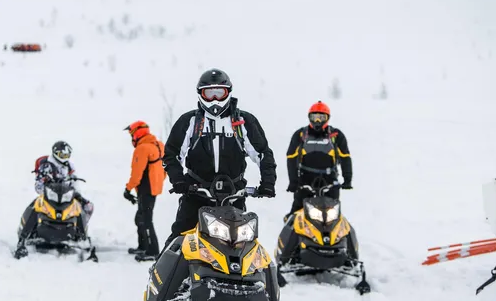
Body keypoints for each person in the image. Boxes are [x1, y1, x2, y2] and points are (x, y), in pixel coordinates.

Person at [161, 68, 277, 251]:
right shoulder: (190, 121)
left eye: (219, 93)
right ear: (201, 94)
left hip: (233, 196)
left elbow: (263, 153)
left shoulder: (243, 122)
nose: (215, 99)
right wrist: (179, 180)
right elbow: (171, 154)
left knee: (246, 245)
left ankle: (266, 278)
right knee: (178, 240)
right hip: (196, 194)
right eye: (209, 94)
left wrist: (268, 183)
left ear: (228, 93)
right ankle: (163, 277)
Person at [14, 141, 94, 258]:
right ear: (55, 153)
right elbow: (39, 185)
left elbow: (74, 182)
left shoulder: (70, 166)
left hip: (66, 195)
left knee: (84, 207)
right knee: (36, 206)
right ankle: (22, 239)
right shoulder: (47, 165)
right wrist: (46, 185)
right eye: (62, 155)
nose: (65, 158)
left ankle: (82, 236)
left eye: (67, 155)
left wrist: (76, 193)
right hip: (49, 194)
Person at [284, 100, 352, 219]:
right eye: (314, 117)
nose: (317, 121)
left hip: (329, 179)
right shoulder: (300, 134)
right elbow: (291, 157)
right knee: (295, 214)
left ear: (327, 118)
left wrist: (347, 179)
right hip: (305, 179)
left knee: (334, 215)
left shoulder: (336, 135)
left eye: (321, 117)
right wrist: (293, 181)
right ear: (309, 117)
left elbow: (345, 157)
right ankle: (289, 232)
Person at [123, 121, 166, 262]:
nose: (131, 138)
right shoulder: (159, 145)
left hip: (145, 189)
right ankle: (143, 246)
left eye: (131, 134)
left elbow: (136, 173)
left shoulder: (142, 149)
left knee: (146, 220)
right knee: (140, 218)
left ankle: (152, 251)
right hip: (153, 188)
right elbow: (164, 168)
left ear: (137, 133)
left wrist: (128, 189)